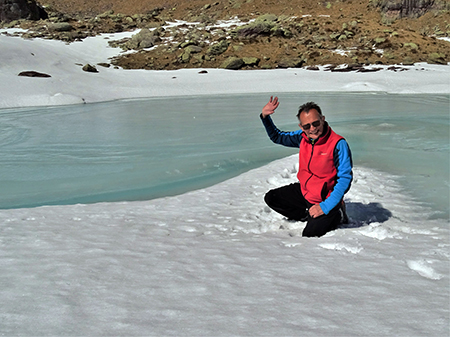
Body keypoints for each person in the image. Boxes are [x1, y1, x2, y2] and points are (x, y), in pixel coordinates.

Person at [260, 96, 353, 237]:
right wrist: (265, 117)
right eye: (307, 126)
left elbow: (345, 179)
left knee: (310, 235)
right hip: (306, 191)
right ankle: (306, 215)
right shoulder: (302, 137)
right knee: (272, 198)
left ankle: (337, 214)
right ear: (301, 127)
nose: (312, 129)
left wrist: (325, 207)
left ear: (323, 119)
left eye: (316, 123)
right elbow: (277, 137)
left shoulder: (338, 144)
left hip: (325, 198)